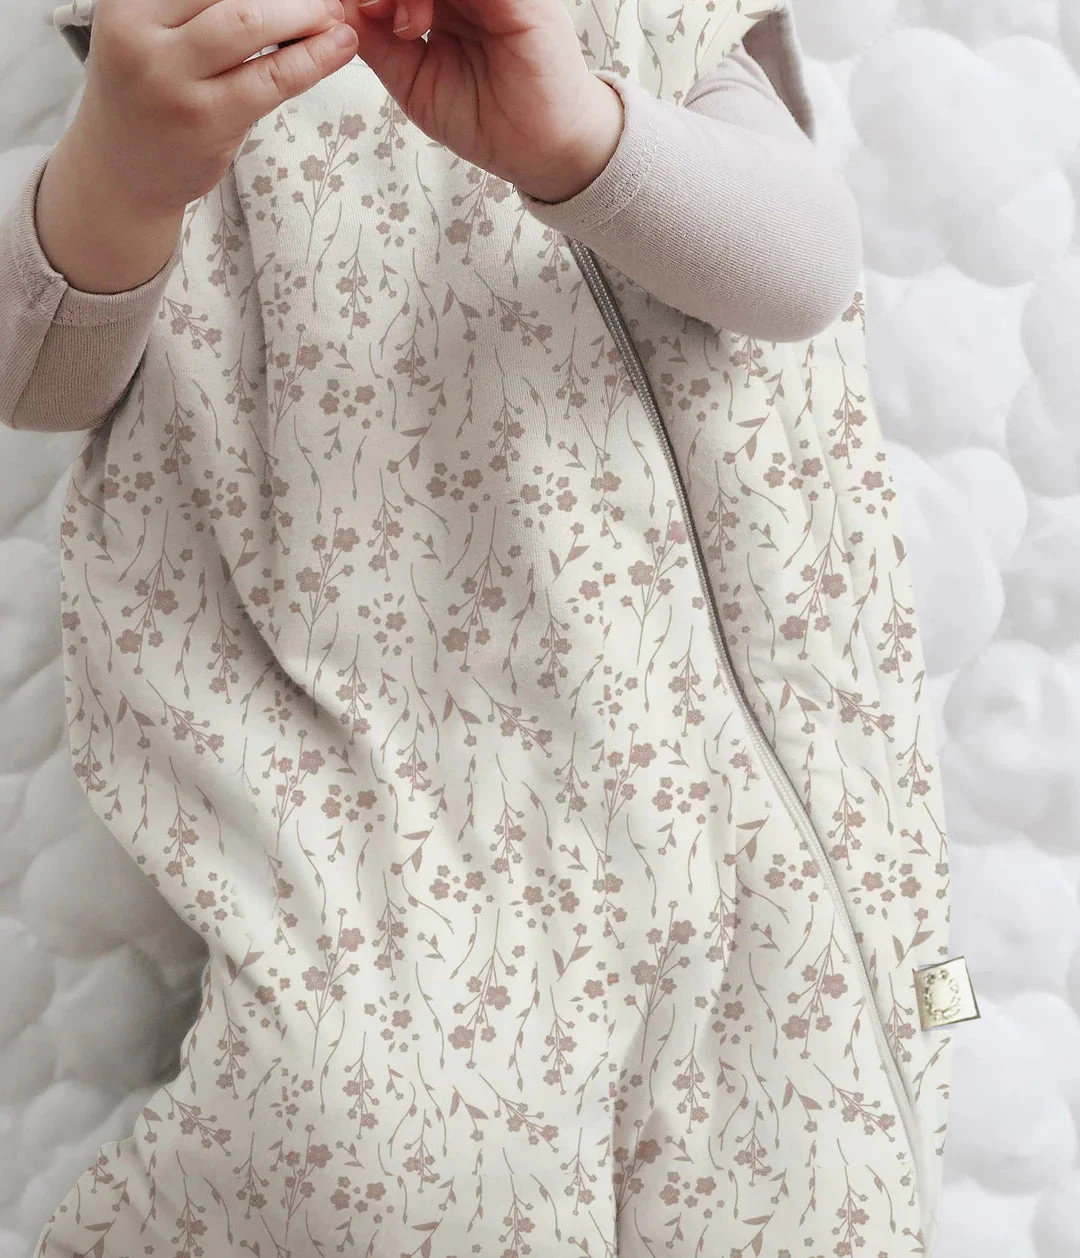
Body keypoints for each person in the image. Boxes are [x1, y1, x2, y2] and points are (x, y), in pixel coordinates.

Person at [1, 0, 960, 1251]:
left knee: (818, 1169)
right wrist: (123, 172)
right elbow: (44, 378)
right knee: (385, 1157)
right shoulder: (189, 51)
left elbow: (805, 272)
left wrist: (582, 137)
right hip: (378, 794)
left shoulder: (645, 27)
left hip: (725, 795)